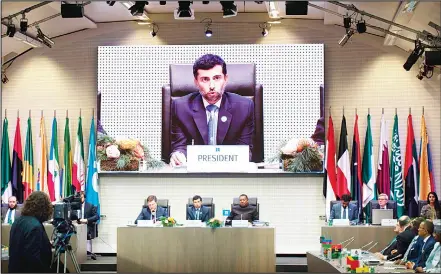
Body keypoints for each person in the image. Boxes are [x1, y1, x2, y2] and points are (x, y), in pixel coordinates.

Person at [170, 54, 255, 167]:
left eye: (216, 78)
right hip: (195, 176)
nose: (212, 86)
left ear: (225, 79)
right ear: (196, 82)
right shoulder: (180, 107)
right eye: (205, 79)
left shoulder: (244, 107)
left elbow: (245, 150)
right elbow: (180, 146)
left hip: (231, 173)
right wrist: (178, 155)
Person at [8, 191, 53, 273]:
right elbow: (33, 259)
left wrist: (44, 244)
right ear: (44, 207)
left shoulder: (18, 221)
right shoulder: (35, 226)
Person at [72, 191, 99, 260]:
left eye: (81, 197)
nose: (80, 199)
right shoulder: (74, 206)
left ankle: (88, 254)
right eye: (79, 198)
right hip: (76, 226)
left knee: (86, 234)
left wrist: (86, 220)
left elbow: (96, 216)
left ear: (84, 198)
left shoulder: (90, 206)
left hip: (87, 226)